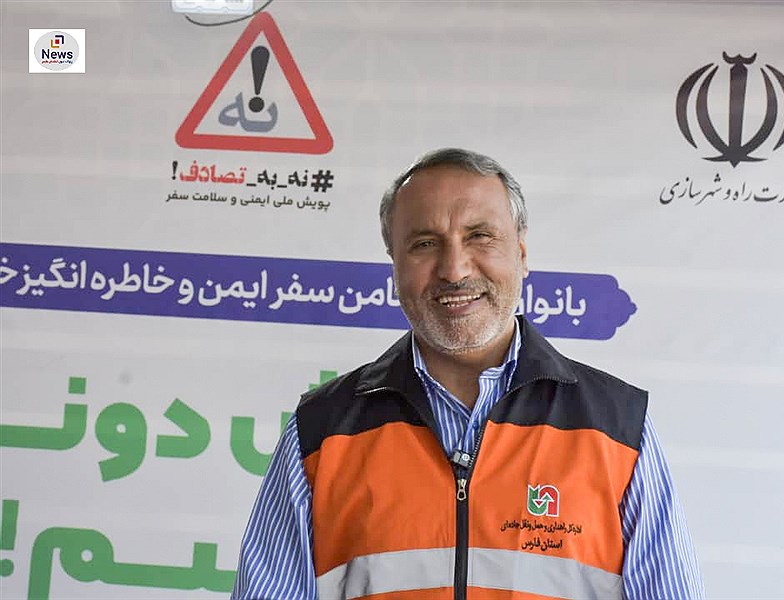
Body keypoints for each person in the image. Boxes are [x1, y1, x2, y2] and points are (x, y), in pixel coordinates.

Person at [232, 148, 704, 600]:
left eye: (480, 236)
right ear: (394, 265)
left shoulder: (618, 427)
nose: (454, 270)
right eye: (424, 244)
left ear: (521, 253)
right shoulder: (320, 432)